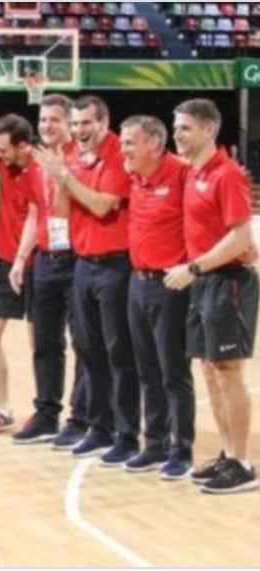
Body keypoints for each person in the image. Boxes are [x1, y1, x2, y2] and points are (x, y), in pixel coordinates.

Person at [34, 96, 141, 465]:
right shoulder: (74, 158)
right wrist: (60, 180)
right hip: (84, 263)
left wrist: (64, 176)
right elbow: (62, 214)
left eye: (86, 124)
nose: (79, 131)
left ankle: (127, 435)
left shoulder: (117, 155)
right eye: (75, 125)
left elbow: (101, 205)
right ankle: (98, 427)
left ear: (104, 122)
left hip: (116, 265)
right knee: (88, 349)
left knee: (118, 353)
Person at [166, 99, 258, 494]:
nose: (177, 134)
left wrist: (194, 268)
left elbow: (241, 237)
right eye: (176, 127)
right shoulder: (194, 173)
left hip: (227, 280)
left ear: (208, 130)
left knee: (229, 371)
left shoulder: (227, 175)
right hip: (205, 282)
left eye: (185, 128)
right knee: (209, 368)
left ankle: (242, 463)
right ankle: (226, 453)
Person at [118, 115, 196, 480]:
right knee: (147, 369)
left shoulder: (181, 174)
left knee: (173, 372)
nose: (124, 150)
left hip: (171, 285)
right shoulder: (134, 177)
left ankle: (182, 450)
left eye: (130, 142)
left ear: (153, 143)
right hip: (138, 281)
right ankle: (155, 444)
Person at [11, 95, 91, 449]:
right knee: (45, 342)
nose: (46, 126)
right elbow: (33, 211)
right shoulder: (35, 162)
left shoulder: (82, 159)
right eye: (43, 120)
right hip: (45, 260)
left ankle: (81, 417)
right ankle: (46, 413)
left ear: (70, 123)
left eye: (54, 120)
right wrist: (20, 257)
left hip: (77, 258)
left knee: (84, 343)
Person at [0, 114, 40, 436]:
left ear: (24, 146)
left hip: (34, 263)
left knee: (39, 343)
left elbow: (34, 214)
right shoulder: (4, 162)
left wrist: (21, 258)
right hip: (3, 261)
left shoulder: (39, 170)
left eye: (4, 151)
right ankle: (2, 408)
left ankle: (46, 410)